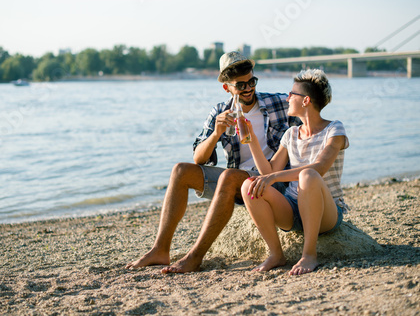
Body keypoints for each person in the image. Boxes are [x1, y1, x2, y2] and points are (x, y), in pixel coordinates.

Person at [126, 51, 300, 273]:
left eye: (252, 82)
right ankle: (160, 249)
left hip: (272, 182)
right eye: (240, 85)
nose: (248, 89)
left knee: (229, 176)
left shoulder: (277, 102)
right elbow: (199, 158)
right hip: (236, 183)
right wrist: (216, 133)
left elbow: (308, 112)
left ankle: (195, 257)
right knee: (180, 170)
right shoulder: (220, 111)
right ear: (227, 87)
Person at [240, 69, 349, 275]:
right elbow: (269, 170)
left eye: (292, 94)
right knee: (250, 185)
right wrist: (252, 139)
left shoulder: (335, 130)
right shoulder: (290, 134)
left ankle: (309, 255)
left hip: (326, 213)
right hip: (292, 210)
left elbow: (318, 168)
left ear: (306, 100)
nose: (287, 97)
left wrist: (273, 177)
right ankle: (276, 255)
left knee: (308, 175)